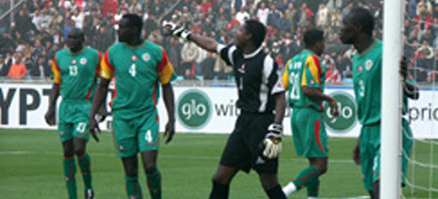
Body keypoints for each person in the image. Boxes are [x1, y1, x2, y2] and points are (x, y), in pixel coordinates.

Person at [164, 19, 287, 199]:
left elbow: (280, 96)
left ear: (249, 36)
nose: (235, 33)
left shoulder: (266, 62)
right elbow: (212, 45)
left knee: (269, 183)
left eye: (240, 30)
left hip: (261, 125)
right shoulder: (236, 54)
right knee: (220, 178)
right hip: (243, 124)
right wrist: (184, 33)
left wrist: (275, 128)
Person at [88, 14, 176, 199]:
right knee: (130, 170)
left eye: (121, 27)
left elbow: (166, 86)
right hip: (122, 117)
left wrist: (171, 118)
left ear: (134, 29)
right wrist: (92, 115)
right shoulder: (112, 52)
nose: (117, 30)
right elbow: (102, 85)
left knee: (150, 165)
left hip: (147, 116)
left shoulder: (156, 52)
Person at [339, 8, 420, 199]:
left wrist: (403, 79)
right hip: (368, 133)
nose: (340, 30)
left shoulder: (385, 53)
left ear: (358, 28)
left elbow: (414, 92)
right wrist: (361, 139)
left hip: (390, 129)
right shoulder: (357, 57)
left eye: (345, 25)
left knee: (382, 191)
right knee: (373, 192)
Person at [44, 28, 101, 199]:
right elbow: (56, 83)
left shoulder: (94, 56)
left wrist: (100, 106)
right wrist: (51, 107)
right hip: (66, 107)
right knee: (67, 150)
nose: (71, 41)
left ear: (83, 39)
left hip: (84, 107)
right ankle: (72, 196)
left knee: (79, 146)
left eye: (75, 38)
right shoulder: (59, 57)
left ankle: (89, 187)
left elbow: (102, 82)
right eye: (69, 38)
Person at [281, 29, 338, 198]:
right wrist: (330, 99)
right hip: (310, 113)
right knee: (321, 166)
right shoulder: (313, 59)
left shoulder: (292, 61)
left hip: (296, 114)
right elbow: (307, 89)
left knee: (313, 163)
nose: (325, 45)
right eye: (324, 42)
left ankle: (312, 197)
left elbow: (282, 85)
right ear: (317, 43)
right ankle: (285, 192)